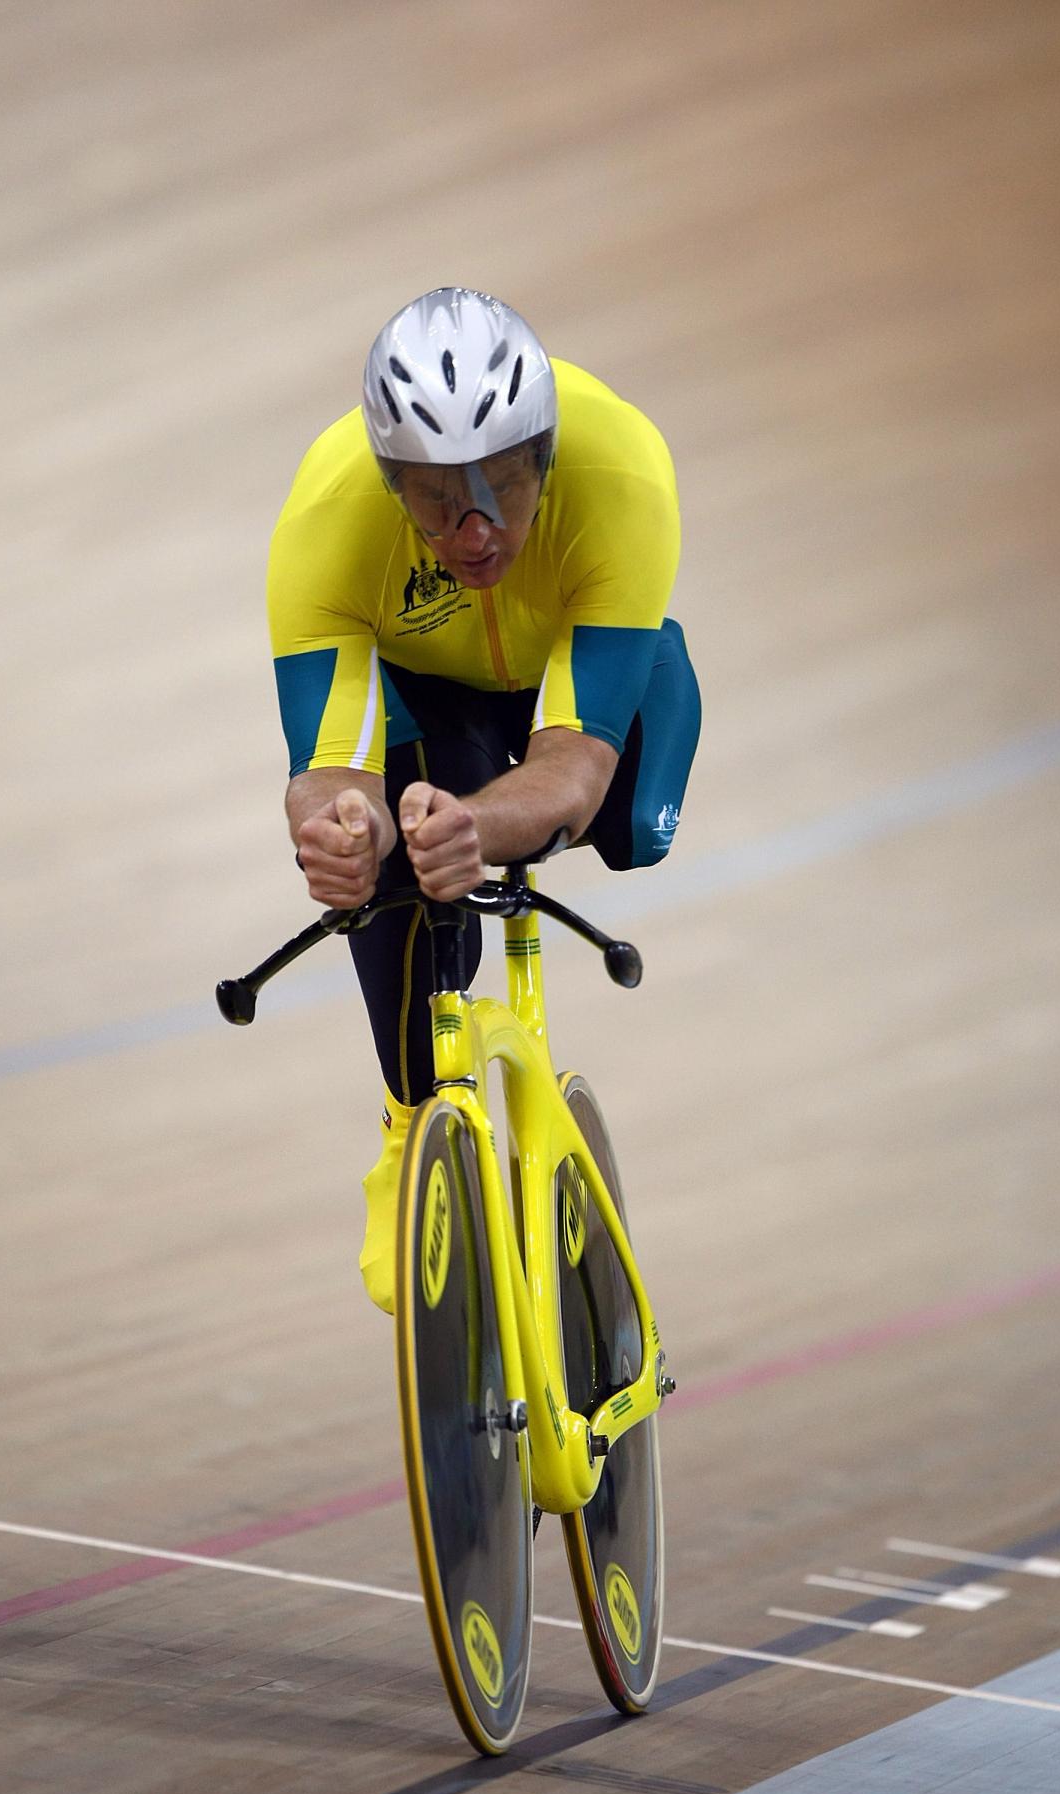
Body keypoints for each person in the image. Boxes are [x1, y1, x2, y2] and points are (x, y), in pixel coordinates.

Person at [267, 288, 701, 1313]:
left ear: (545, 456)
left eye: (504, 484)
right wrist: (346, 829)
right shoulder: (328, 519)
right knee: (394, 875)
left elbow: (574, 764)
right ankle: (413, 1122)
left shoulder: (622, 472)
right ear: (387, 483)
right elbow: (327, 770)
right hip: (436, 690)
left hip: (577, 672)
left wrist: (478, 823)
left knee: (627, 825)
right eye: (432, 498)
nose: (475, 529)